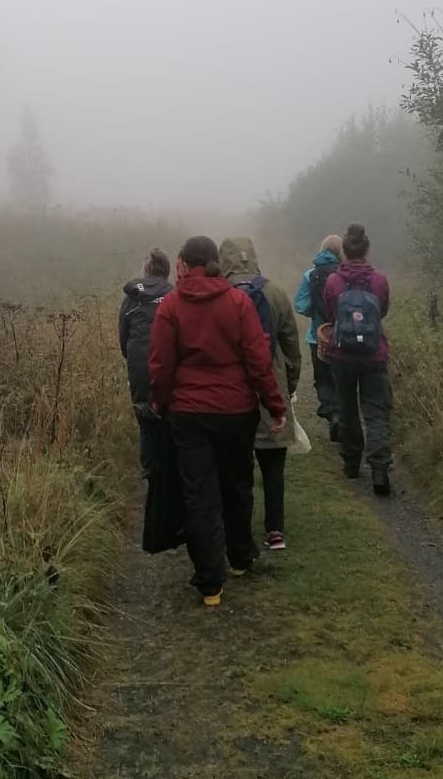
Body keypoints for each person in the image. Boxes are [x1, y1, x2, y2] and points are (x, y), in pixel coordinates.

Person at [149, 236, 287, 607]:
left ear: (183, 264)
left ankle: (211, 584)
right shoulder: (238, 303)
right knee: (237, 483)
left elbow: (161, 366)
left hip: (189, 414)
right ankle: (240, 558)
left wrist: (162, 405)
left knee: (199, 494)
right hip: (237, 412)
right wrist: (275, 406)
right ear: (214, 263)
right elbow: (258, 361)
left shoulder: (171, 307)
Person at [220, 236, 301, 551]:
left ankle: (238, 527)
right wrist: (288, 385)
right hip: (271, 388)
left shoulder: (220, 295)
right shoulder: (276, 293)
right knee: (273, 465)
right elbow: (292, 346)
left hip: (231, 392)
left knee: (235, 466)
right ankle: (275, 530)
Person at [322, 223, 393, 496]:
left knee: (348, 407)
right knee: (376, 411)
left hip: (342, 353)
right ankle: (380, 470)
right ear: (367, 250)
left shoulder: (333, 281)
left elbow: (331, 313)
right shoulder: (380, 280)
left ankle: (351, 464)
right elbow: (382, 311)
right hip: (374, 353)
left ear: (345, 251)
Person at [118, 248, 174, 477]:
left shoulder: (131, 299)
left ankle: (150, 473)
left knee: (146, 423)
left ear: (146, 269)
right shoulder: (176, 296)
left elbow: (123, 341)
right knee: (169, 424)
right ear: (167, 271)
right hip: (170, 373)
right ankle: (170, 473)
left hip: (140, 372)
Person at [294, 235, 344, 439]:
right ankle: (344, 415)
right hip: (343, 338)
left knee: (322, 379)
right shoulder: (345, 274)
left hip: (318, 338)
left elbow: (300, 305)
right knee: (341, 379)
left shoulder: (310, 274)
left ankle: (333, 414)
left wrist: (315, 313)